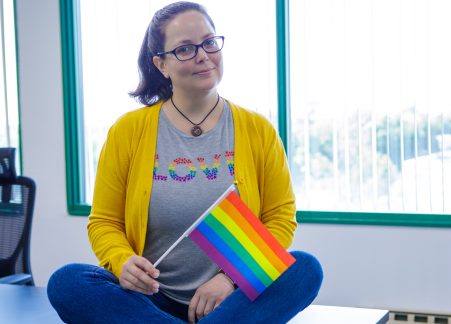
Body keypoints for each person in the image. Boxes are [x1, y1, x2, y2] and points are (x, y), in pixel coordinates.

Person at [47, 2, 323, 323]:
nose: (203, 55)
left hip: (232, 301)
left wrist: (231, 278)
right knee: (67, 282)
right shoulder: (127, 131)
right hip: (150, 301)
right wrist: (121, 261)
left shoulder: (257, 129)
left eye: (208, 42)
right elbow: (104, 222)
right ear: (161, 64)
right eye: (185, 49)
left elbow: (279, 218)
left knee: (304, 268)